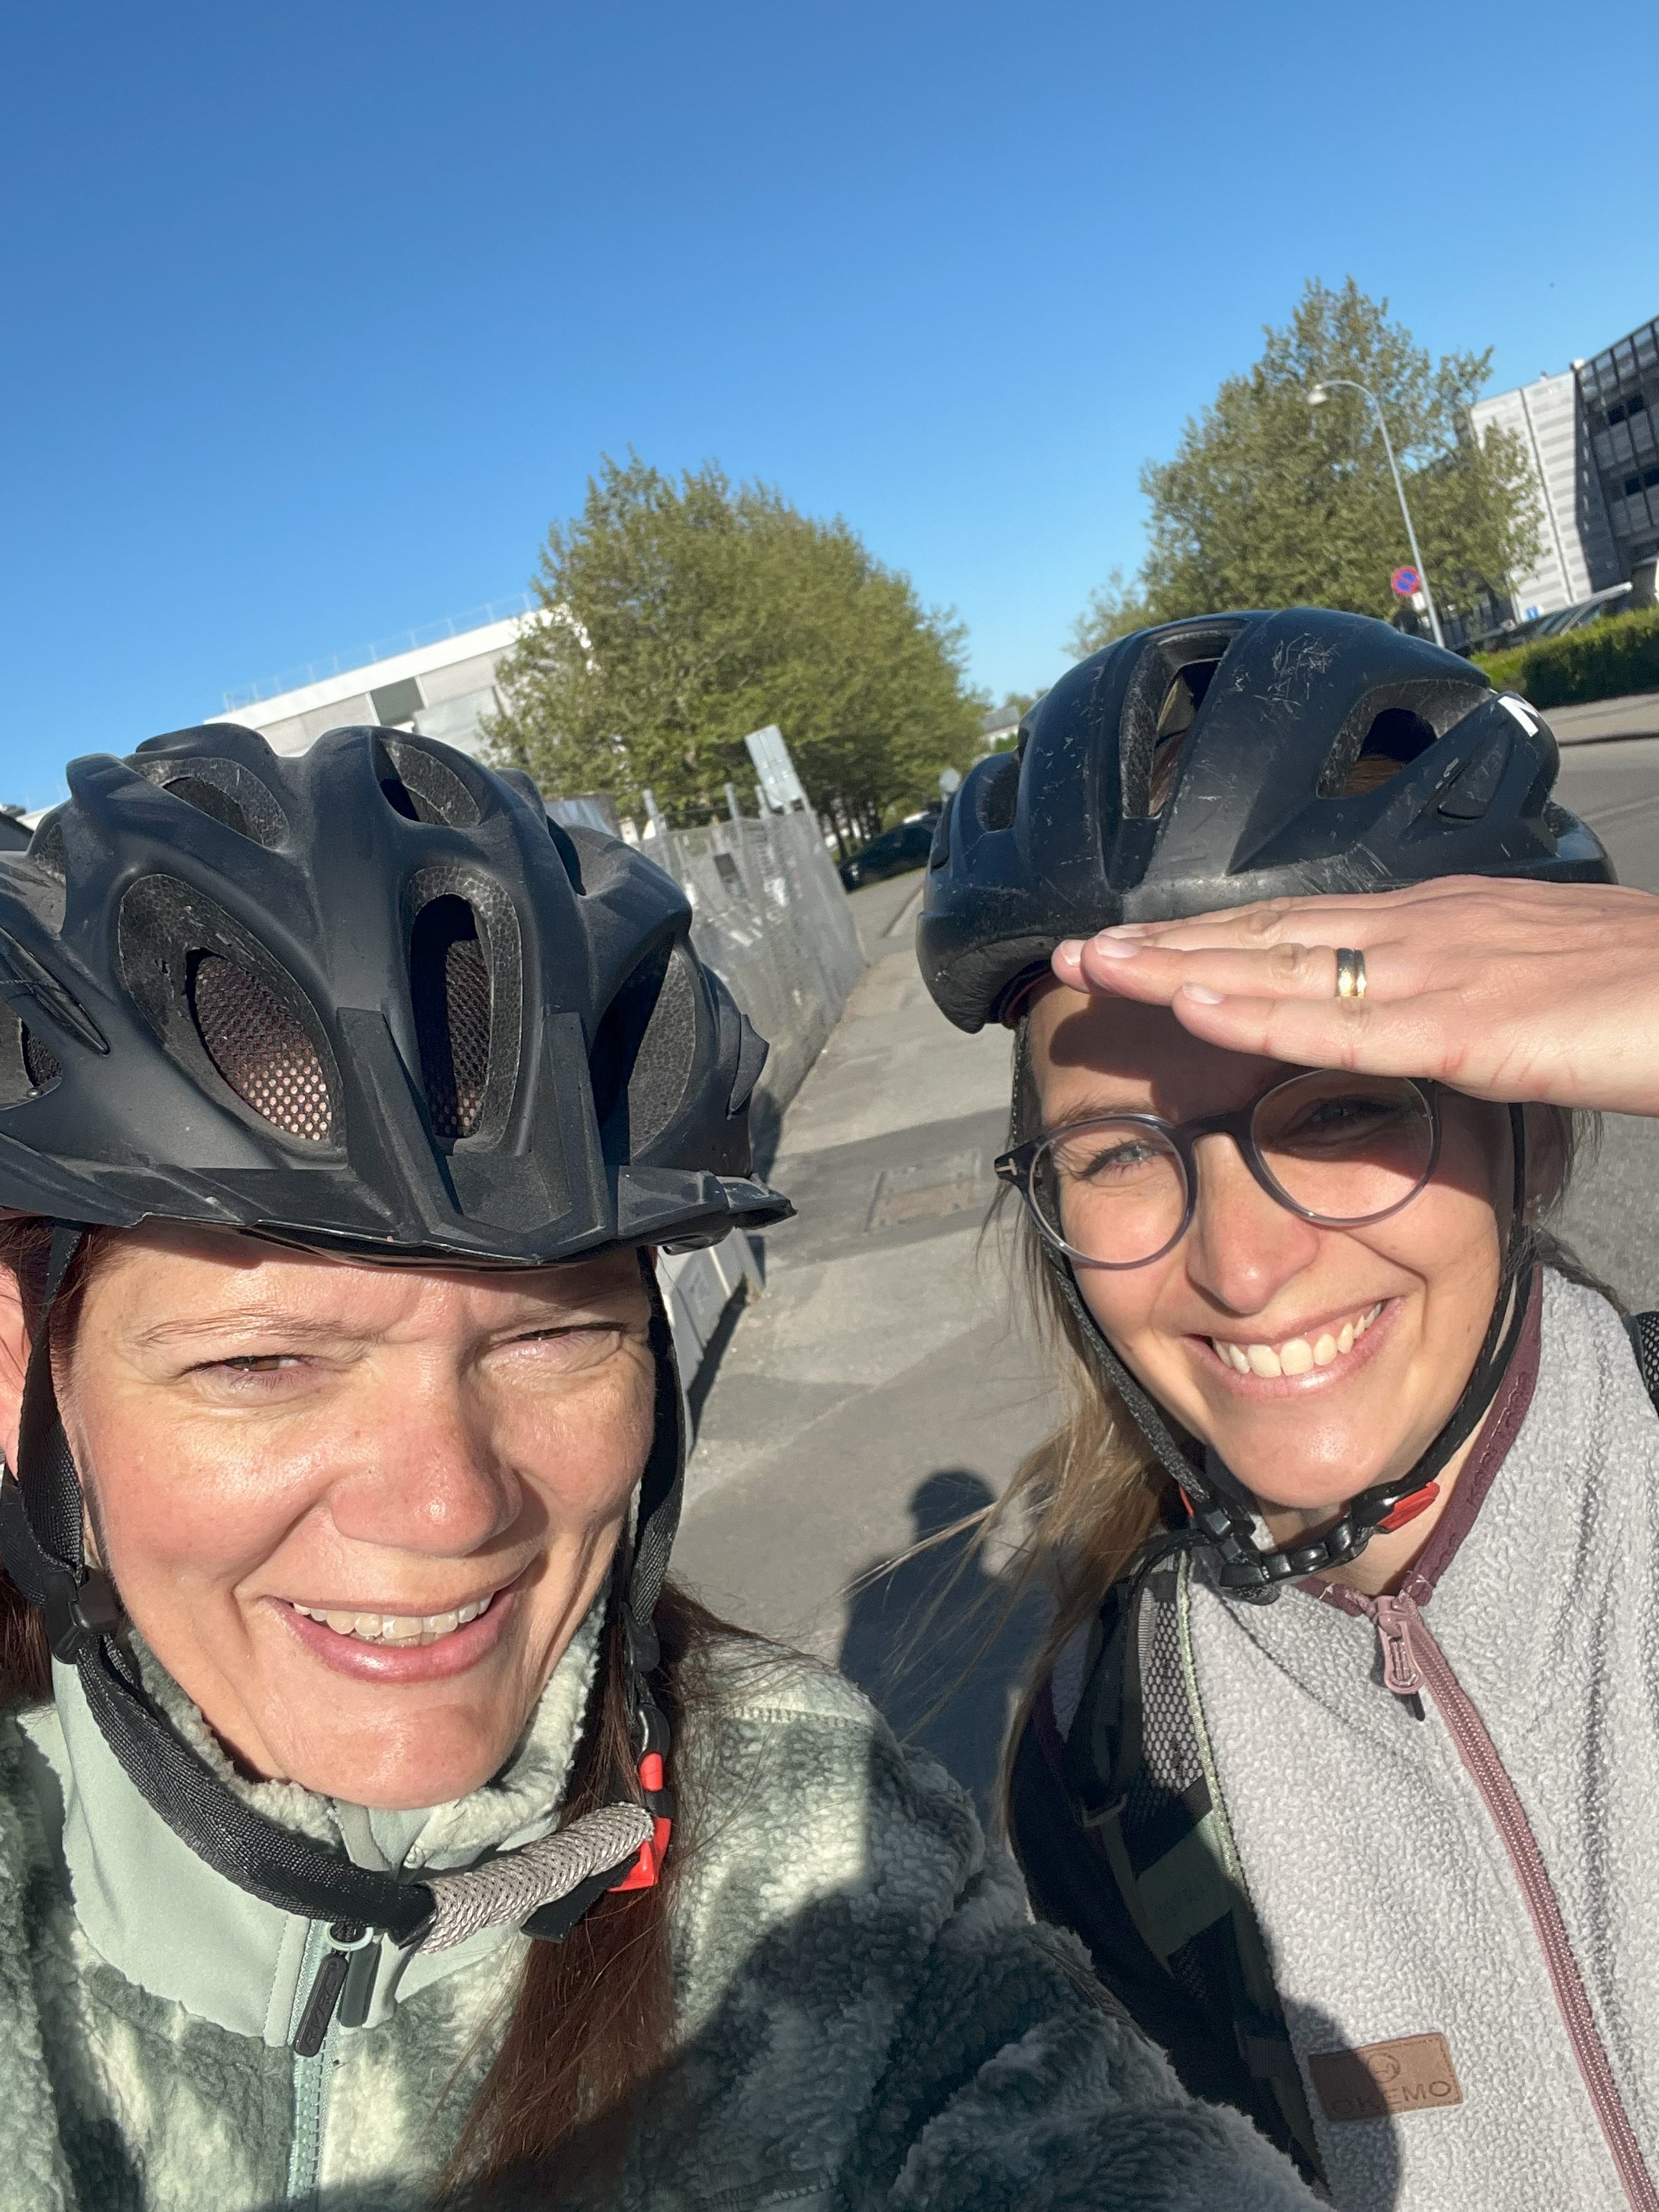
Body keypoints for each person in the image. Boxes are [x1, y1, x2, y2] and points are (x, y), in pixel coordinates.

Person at [0, 719, 1316, 2212]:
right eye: (261, 1365)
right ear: (21, 1369)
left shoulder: (821, 1847)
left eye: (556, 1337)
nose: (449, 1505)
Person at [918, 606, 1659, 2212]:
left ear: (1532, 1127)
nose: (1240, 1268)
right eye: (1119, 1153)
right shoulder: (1114, 1767)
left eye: (1334, 1110)